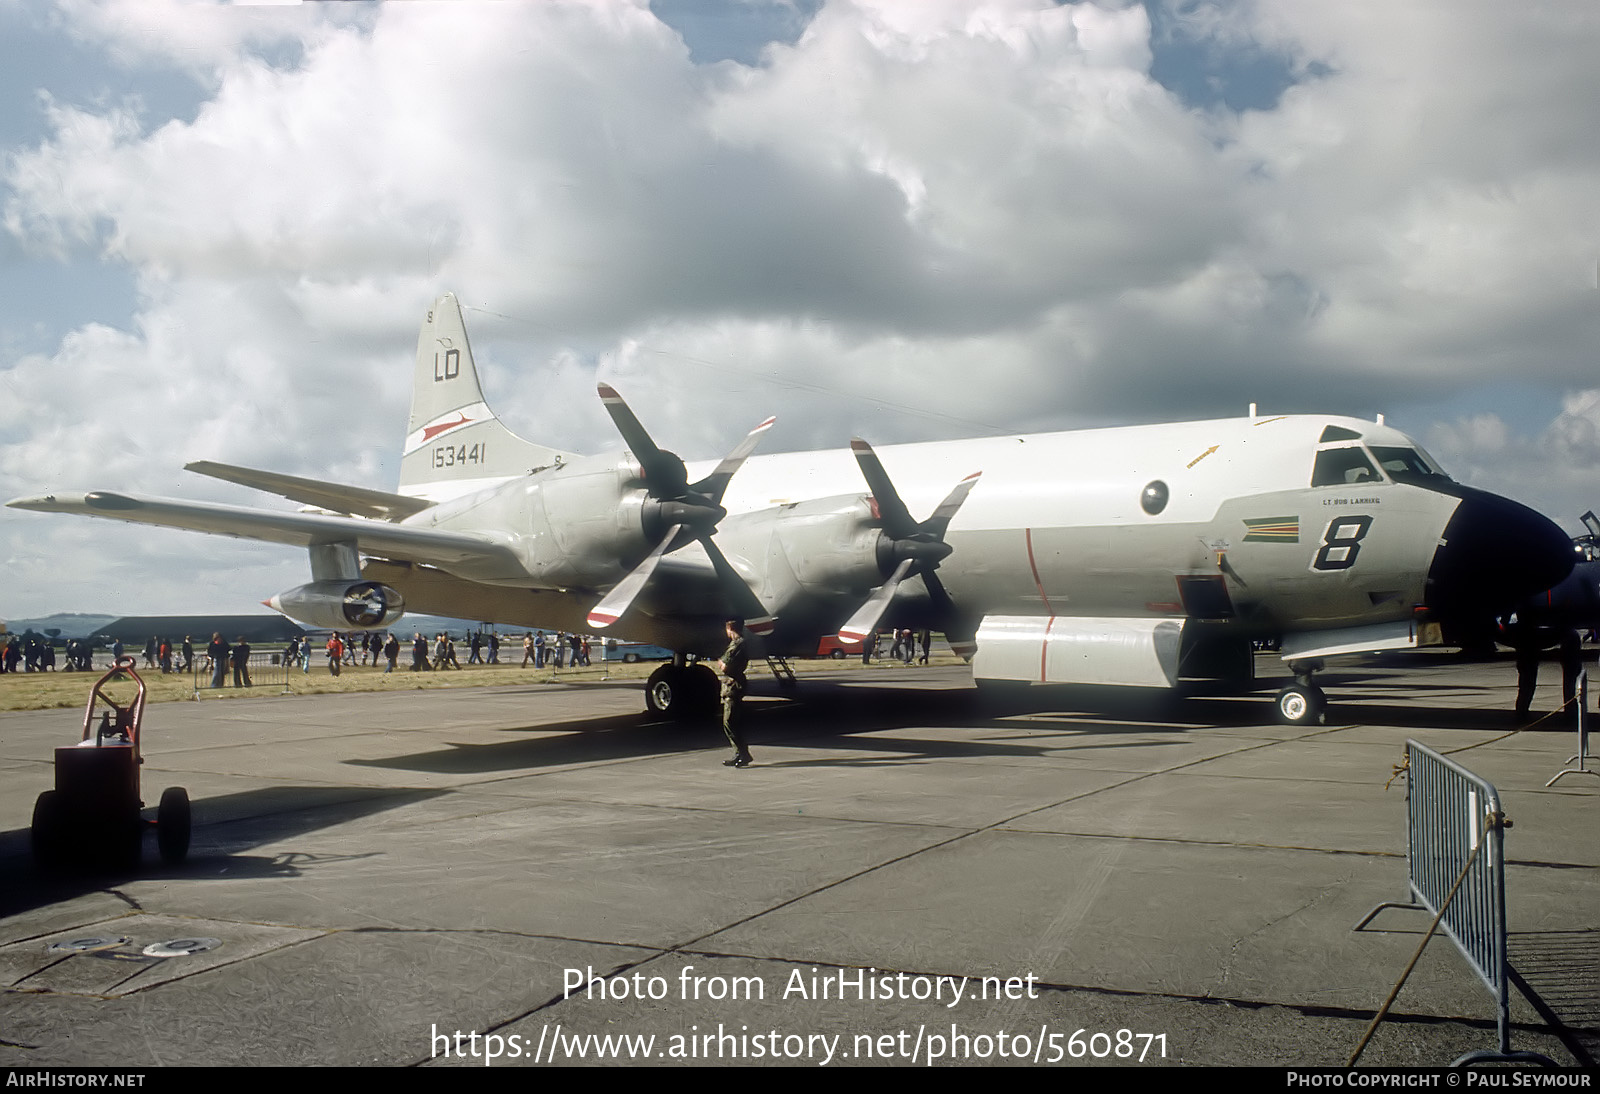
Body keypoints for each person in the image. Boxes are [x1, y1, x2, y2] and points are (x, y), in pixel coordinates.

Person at [715, 619, 753, 768]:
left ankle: (742, 753)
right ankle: (740, 753)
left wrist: (721, 663)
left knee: (729, 722)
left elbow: (725, 666)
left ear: (730, 628)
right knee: (731, 722)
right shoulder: (738, 643)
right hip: (732, 685)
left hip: (733, 686)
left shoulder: (737, 644)